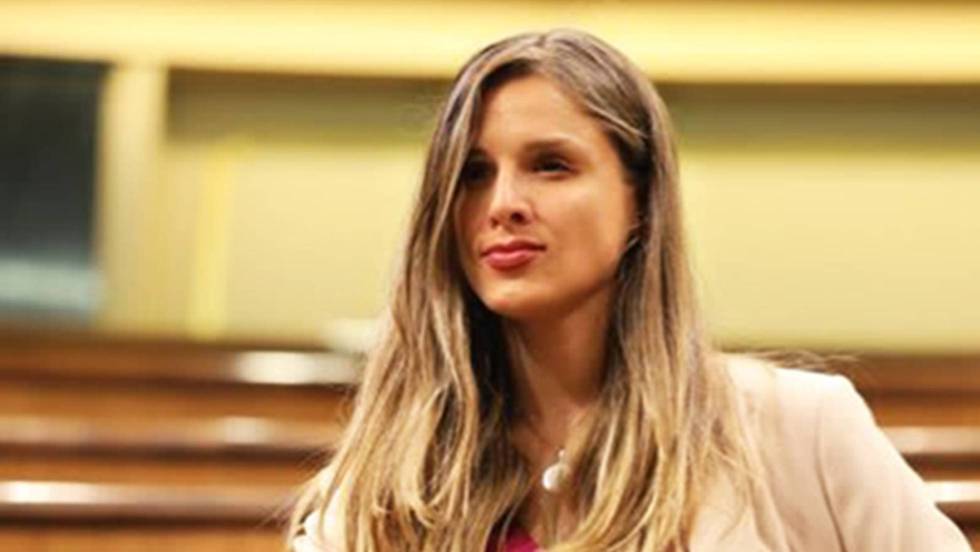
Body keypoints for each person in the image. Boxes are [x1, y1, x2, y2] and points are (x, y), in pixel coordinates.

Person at [289, 29, 970, 551]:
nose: (503, 204)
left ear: (640, 201)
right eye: (472, 174)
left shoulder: (799, 428)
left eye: (551, 165)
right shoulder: (374, 488)